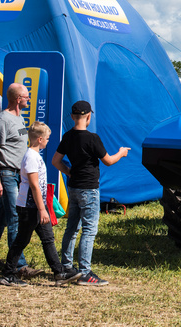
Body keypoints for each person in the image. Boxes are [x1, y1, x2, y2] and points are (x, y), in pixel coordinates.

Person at [52, 100, 130, 286]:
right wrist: (121, 153)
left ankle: (67, 267)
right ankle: (85, 272)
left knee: (72, 227)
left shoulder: (67, 136)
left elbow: (56, 161)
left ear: (72, 116)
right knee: (89, 229)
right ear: (88, 116)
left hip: (74, 187)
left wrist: (69, 172)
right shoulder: (92, 138)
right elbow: (109, 161)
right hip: (89, 189)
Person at [0, 122, 82, 287]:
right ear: (39, 139)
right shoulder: (30, 157)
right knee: (22, 240)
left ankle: (59, 272)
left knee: (48, 238)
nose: (48, 141)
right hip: (29, 207)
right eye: (47, 138)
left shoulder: (35, 155)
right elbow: (34, 185)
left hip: (36, 207)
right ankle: (8, 274)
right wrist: (42, 209)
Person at [0, 83, 42, 279]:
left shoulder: (20, 119)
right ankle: (18, 265)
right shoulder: (2, 120)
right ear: (18, 99)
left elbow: (23, 142)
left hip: (18, 174)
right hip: (6, 174)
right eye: (26, 97)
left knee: (1, 217)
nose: (29, 99)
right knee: (16, 217)